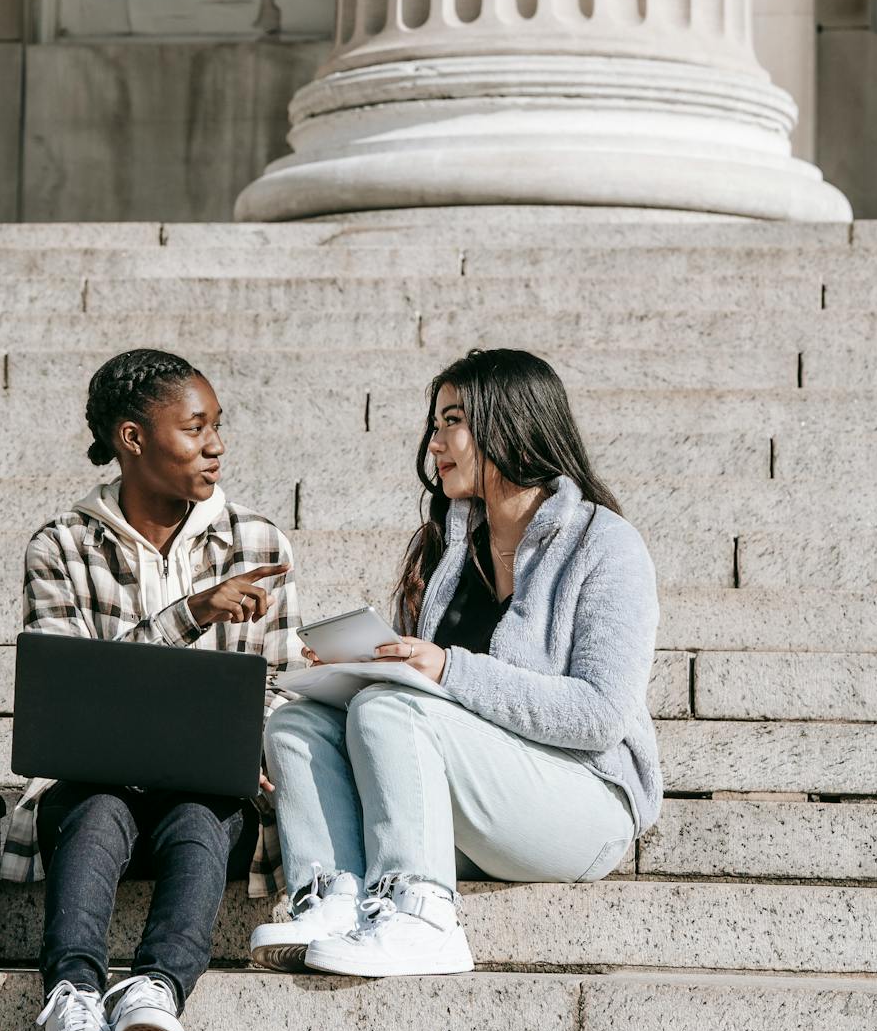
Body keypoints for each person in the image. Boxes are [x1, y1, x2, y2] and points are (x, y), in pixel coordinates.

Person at [250, 346, 660, 978]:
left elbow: (601, 715)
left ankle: (423, 919)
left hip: (585, 801)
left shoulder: (604, 544)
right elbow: (426, 705)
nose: (435, 443)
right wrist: (363, 664)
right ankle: (334, 898)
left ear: (512, 425)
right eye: (434, 424)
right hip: (476, 800)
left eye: (453, 422)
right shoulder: (447, 548)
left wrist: (446, 668)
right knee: (296, 723)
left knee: (391, 707)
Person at [2, 347, 300, 1031]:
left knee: (203, 814)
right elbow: (71, 695)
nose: (215, 445)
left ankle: (156, 991)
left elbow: (283, 681)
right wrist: (190, 614)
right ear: (133, 439)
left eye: (217, 426)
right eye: (195, 428)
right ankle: (72, 998)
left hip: (203, 799)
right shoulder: (63, 548)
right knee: (97, 804)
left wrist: (264, 749)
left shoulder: (257, 543)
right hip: (88, 800)